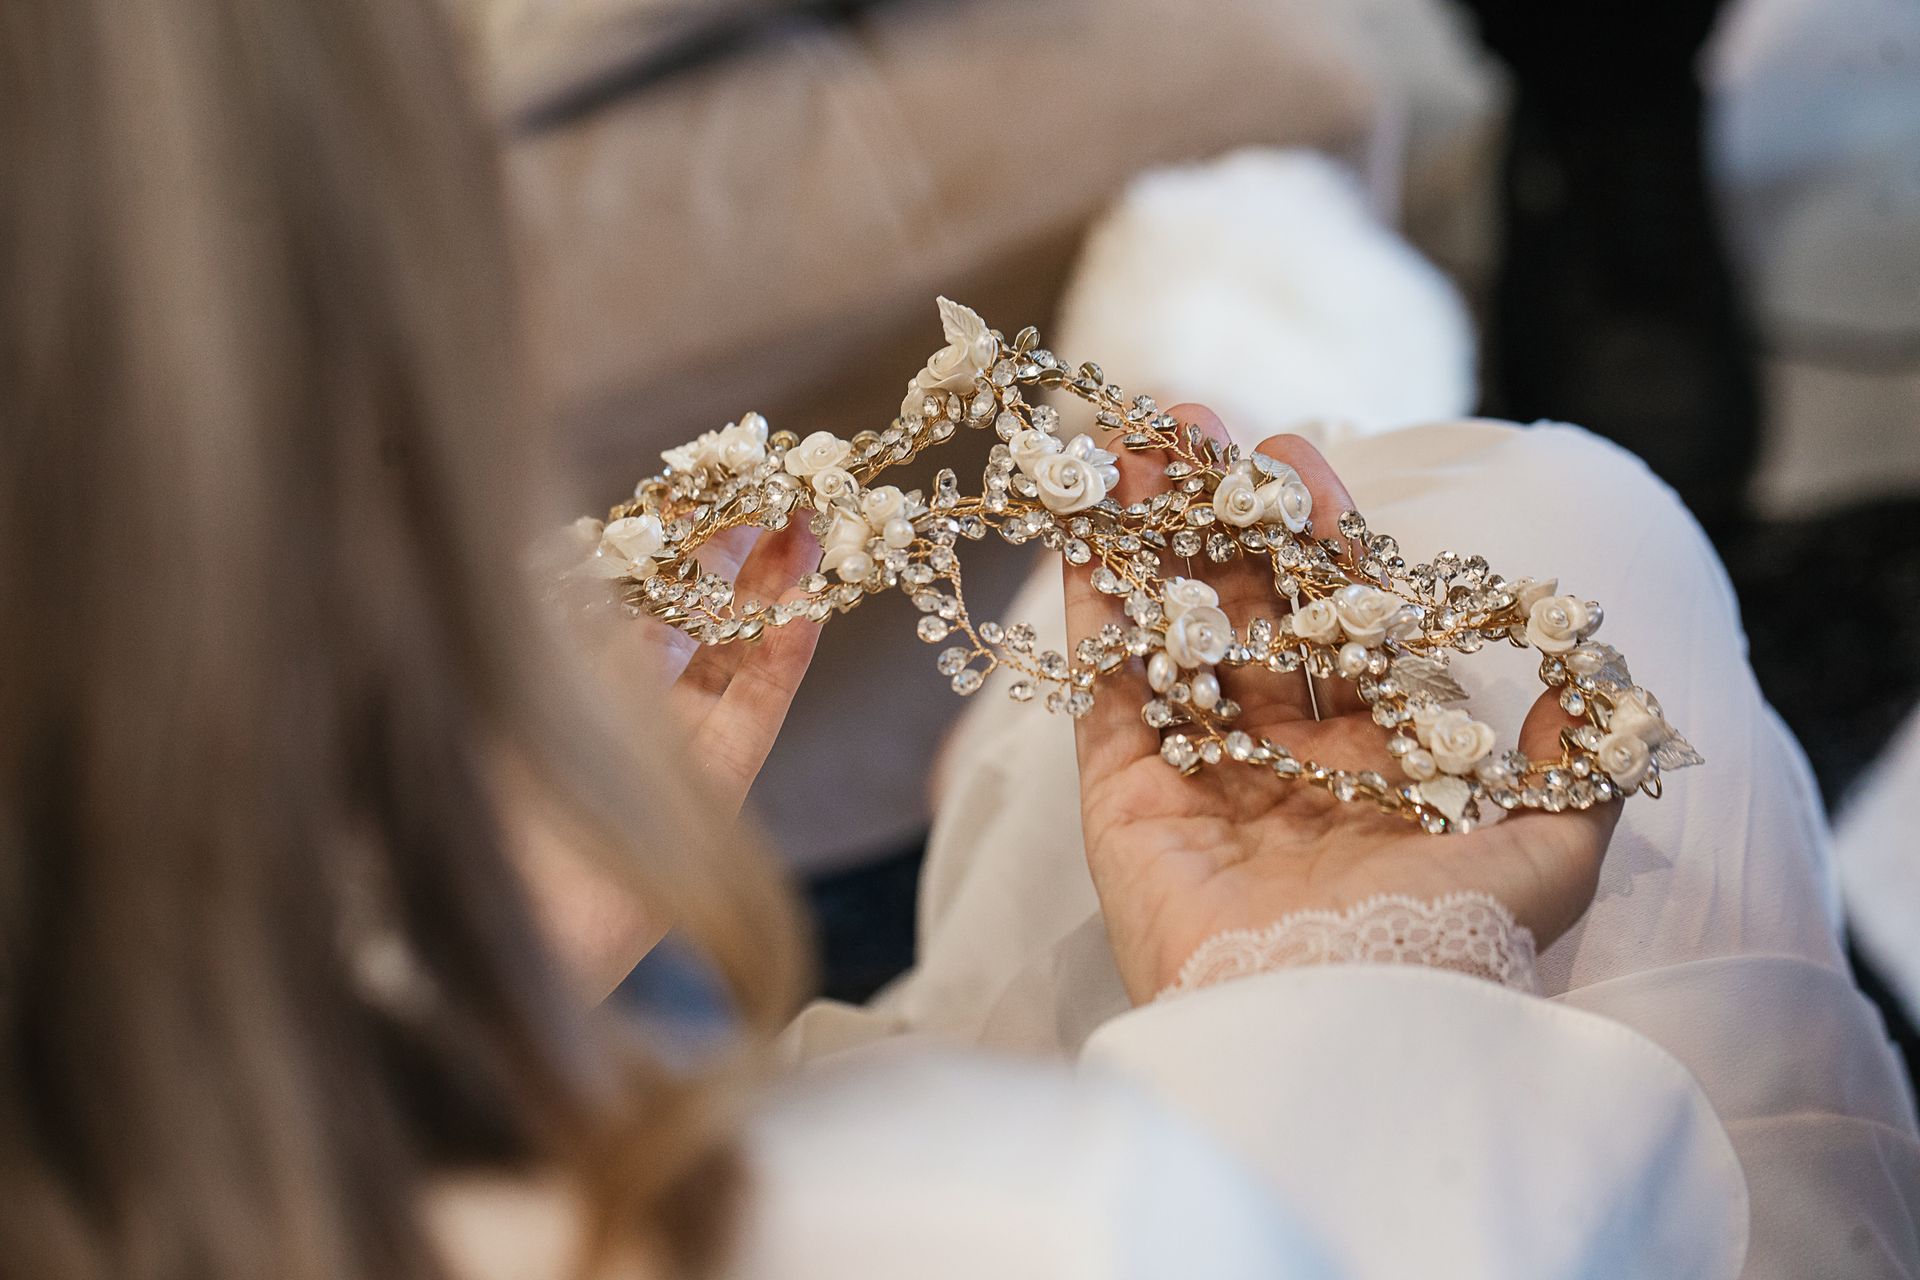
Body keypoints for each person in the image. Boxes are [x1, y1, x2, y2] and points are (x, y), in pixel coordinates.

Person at [2, 6, 1908, 1280]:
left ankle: (1048, 672)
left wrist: (421, 974)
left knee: (1466, 547)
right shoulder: (992, 1216)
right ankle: (1200, 468)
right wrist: (1348, 978)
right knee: (1564, 534)